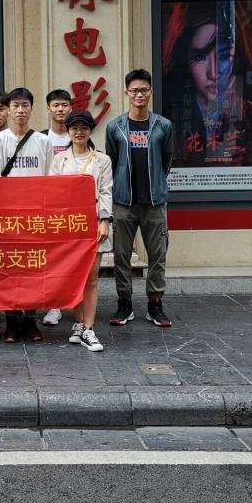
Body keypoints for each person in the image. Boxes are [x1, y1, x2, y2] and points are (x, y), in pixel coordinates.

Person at [105, 68, 173, 328]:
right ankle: (125, 304)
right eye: (134, 91)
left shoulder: (163, 125)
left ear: (151, 92)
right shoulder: (115, 127)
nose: (139, 95)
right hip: (124, 201)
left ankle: (155, 304)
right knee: (121, 256)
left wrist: (156, 183)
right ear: (126, 93)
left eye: (144, 90)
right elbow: (112, 162)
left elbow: (167, 160)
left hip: (154, 202)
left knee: (158, 255)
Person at [162, 0, 252, 168]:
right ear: (184, 59)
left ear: (237, 56)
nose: (214, 73)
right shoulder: (170, 115)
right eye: (200, 57)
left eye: (223, 56)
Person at [0, 87, 53, 343]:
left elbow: (48, 180)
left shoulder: (43, 142)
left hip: (34, 216)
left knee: (33, 269)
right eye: (15, 106)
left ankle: (30, 318)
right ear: (8, 110)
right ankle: (12, 320)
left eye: (25, 105)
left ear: (32, 109)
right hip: (6, 216)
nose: (20, 110)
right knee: (8, 268)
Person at [53, 111, 112, 352]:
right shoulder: (59, 160)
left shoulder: (102, 160)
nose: (79, 132)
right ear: (68, 131)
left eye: (84, 128)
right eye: (74, 128)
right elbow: (53, 192)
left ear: (90, 131)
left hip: (93, 223)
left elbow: (106, 191)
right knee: (74, 278)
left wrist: (105, 220)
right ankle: (78, 323)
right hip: (69, 226)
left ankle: (89, 328)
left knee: (91, 278)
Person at [42, 88, 73, 326]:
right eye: (56, 105)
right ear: (48, 109)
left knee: (68, 257)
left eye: (64, 105)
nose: (60, 109)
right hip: (45, 206)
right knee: (49, 257)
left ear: (70, 108)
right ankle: (52, 305)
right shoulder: (40, 138)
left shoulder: (78, 135)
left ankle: (69, 301)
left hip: (71, 207)